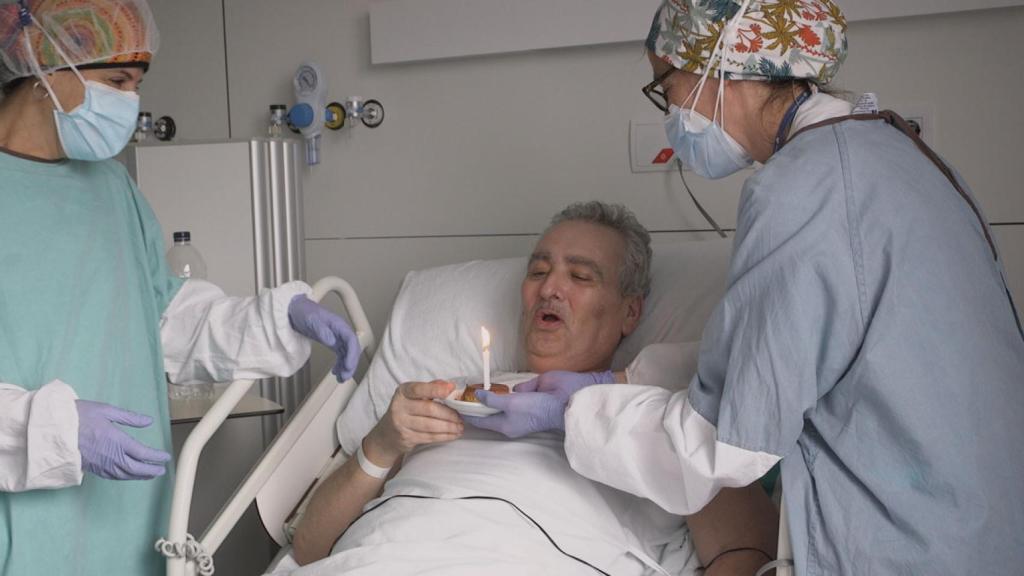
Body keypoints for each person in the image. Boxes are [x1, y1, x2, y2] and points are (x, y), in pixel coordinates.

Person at [472, 0, 1024, 573]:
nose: (672, 110)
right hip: (986, 526)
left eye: (666, 86)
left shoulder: (800, 189)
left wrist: (572, 414)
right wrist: (620, 380)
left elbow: (725, 446)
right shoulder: (902, 154)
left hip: (905, 545)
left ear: (719, 65)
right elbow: (790, 350)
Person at [0, 1, 360, 574]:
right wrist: (51, 429)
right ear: (44, 68)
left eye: (137, 85)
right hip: (23, 526)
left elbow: (159, 317)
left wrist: (277, 319)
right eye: (117, 81)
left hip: (127, 513)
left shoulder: (111, 188)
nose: (130, 102)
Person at [289, 202, 779, 576]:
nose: (549, 288)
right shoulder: (445, 393)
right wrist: (381, 445)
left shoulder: (663, 417)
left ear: (630, 312)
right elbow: (310, 550)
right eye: (539, 272)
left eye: (580, 276)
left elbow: (745, 550)